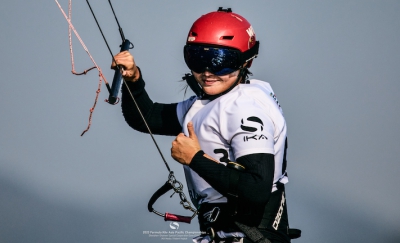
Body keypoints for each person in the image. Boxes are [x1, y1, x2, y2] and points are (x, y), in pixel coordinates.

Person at [113, 7, 295, 243]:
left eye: (221, 62)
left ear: (245, 61)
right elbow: (145, 117)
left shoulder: (245, 106)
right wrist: (133, 79)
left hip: (252, 236)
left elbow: (256, 190)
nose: (207, 72)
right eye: (197, 59)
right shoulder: (206, 104)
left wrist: (194, 158)